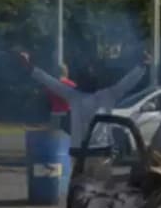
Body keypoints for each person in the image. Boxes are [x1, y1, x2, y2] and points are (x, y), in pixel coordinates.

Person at [19, 51, 150, 145]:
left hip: (93, 151)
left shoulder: (76, 96)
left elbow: (49, 81)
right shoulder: (105, 95)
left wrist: (142, 66)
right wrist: (142, 66)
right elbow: (49, 81)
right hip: (91, 151)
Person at [45, 64, 78, 134]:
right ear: (66, 71)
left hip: (55, 115)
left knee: (55, 136)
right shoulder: (72, 85)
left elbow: (48, 101)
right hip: (67, 115)